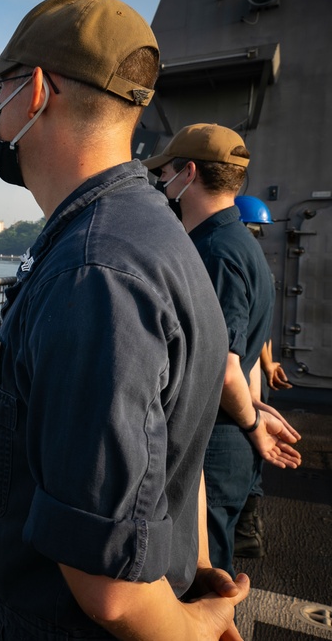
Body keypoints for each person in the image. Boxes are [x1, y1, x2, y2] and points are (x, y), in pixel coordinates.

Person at [0, 0, 247, 639]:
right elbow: (173, 446)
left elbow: (110, 593)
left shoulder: (94, 271)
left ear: (33, 92)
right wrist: (195, 565)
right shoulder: (144, 233)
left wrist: (194, 628)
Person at [143, 124, 302, 577]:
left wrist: (254, 423)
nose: (161, 183)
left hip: (214, 440)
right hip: (228, 435)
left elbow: (226, 367)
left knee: (199, 578)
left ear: (188, 174)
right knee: (215, 571)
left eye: (167, 172)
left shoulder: (213, 253)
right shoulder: (241, 246)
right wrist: (254, 409)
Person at [230, 195, 297, 558]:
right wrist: (269, 363)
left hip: (244, 377)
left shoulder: (233, 261)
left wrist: (254, 394)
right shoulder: (261, 267)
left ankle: (243, 527)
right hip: (253, 370)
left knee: (251, 441)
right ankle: (249, 524)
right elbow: (261, 327)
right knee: (256, 446)